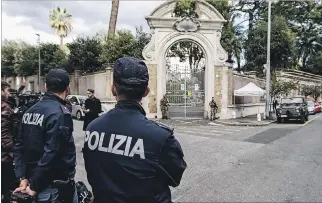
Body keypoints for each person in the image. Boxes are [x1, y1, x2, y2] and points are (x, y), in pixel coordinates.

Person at [83, 57, 187, 203]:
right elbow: (175, 177)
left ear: (113, 89)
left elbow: (93, 172)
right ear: (146, 91)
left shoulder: (93, 128)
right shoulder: (160, 137)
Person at [13, 68, 78, 203]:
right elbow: (52, 154)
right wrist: (35, 185)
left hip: (30, 182)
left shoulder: (29, 111)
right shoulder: (61, 114)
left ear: (46, 86)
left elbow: (19, 147)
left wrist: (23, 178)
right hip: (51, 188)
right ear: (68, 88)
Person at [1, 81, 17, 203]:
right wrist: (11, 150)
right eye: (6, 90)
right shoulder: (4, 106)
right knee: (9, 187)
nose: (8, 94)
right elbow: (3, 133)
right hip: (3, 157)